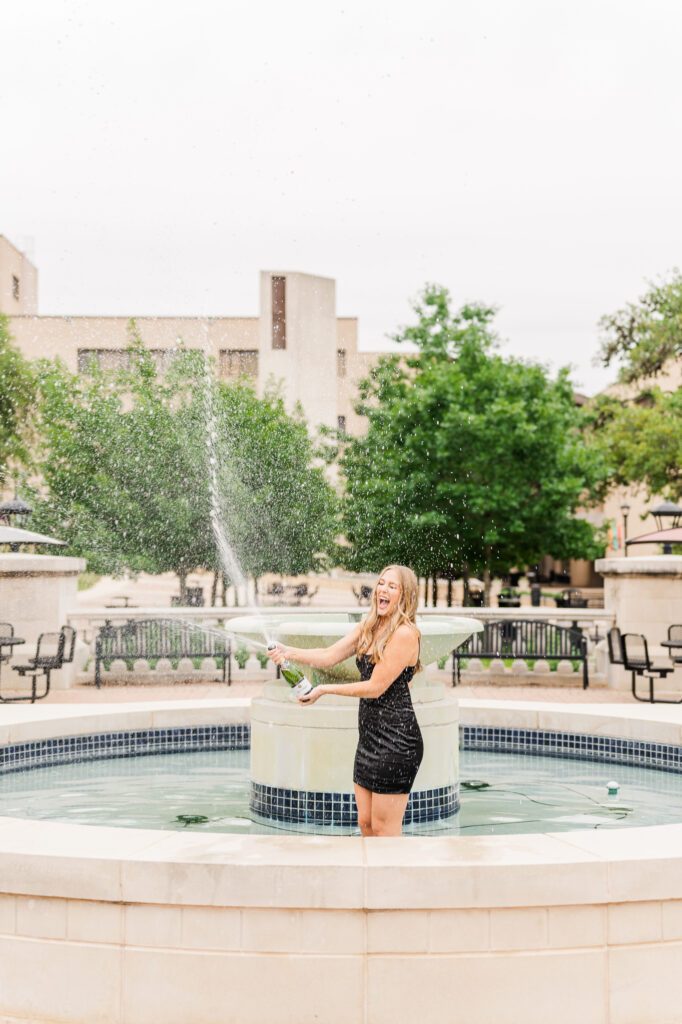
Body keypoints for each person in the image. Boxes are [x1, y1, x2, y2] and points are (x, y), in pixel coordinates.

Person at [268, 565, 423, 837]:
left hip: (397, 741)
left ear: (404, 595)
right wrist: (287, 651)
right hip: (370, 737)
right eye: (381, 583)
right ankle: (372, 879)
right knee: (366, 823)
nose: (382, 590)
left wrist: (324, 689)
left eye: (392, 586)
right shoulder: (369, 626)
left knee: (385, 829)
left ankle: (393, 878)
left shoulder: (405, 634)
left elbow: (375, 688)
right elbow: (329, 655)